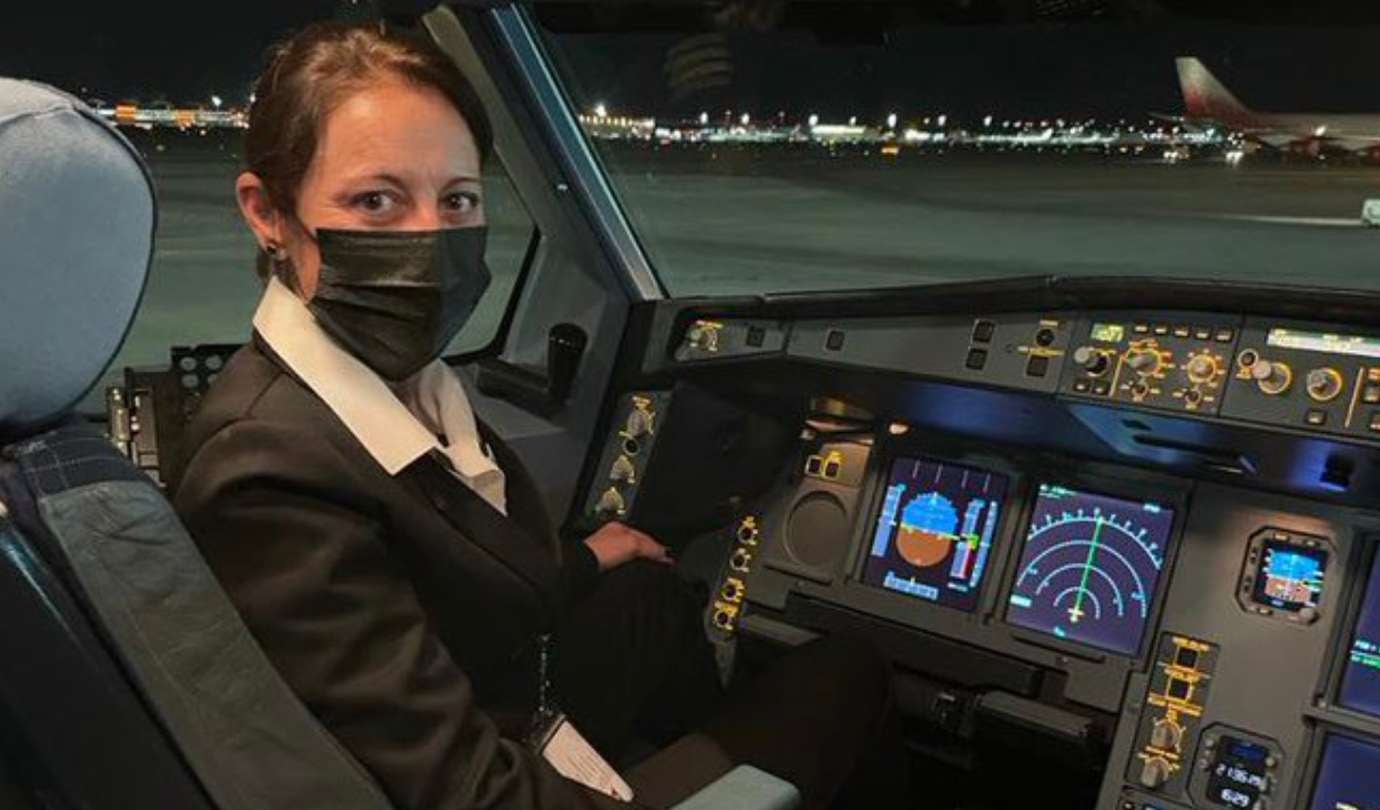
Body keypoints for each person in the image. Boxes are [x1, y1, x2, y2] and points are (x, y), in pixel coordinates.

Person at [173, 20, 903, 810]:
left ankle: (709, 753)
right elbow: (466, 794)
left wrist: (588, 558)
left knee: (653, 593)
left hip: (503, 694)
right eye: (376, 200)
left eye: (457, 199)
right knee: (847, 670)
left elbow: (453, 585)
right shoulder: (269, 475)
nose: (430, 240)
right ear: (268, 213)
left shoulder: (394, 381)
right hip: (495, 763)